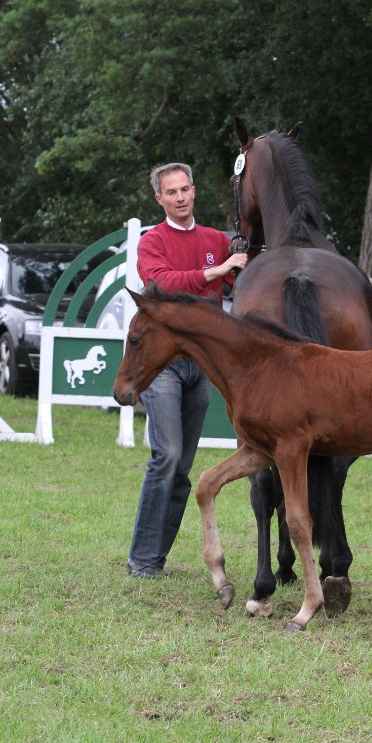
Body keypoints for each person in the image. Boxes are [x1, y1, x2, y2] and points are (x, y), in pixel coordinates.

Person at [125, 162, 248, 578]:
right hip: (162, 367)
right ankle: (142, 559)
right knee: (168, 455)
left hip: (200, 369)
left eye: (184, 189)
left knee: (182, 466)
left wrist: (243, 263)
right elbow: (160, 286)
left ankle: (154, 559)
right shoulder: (152, 242)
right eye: (170, 192)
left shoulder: (217, 239)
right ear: (159, 199)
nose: (179, 197)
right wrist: (215, 271)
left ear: (194, 191)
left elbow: (244, 275)